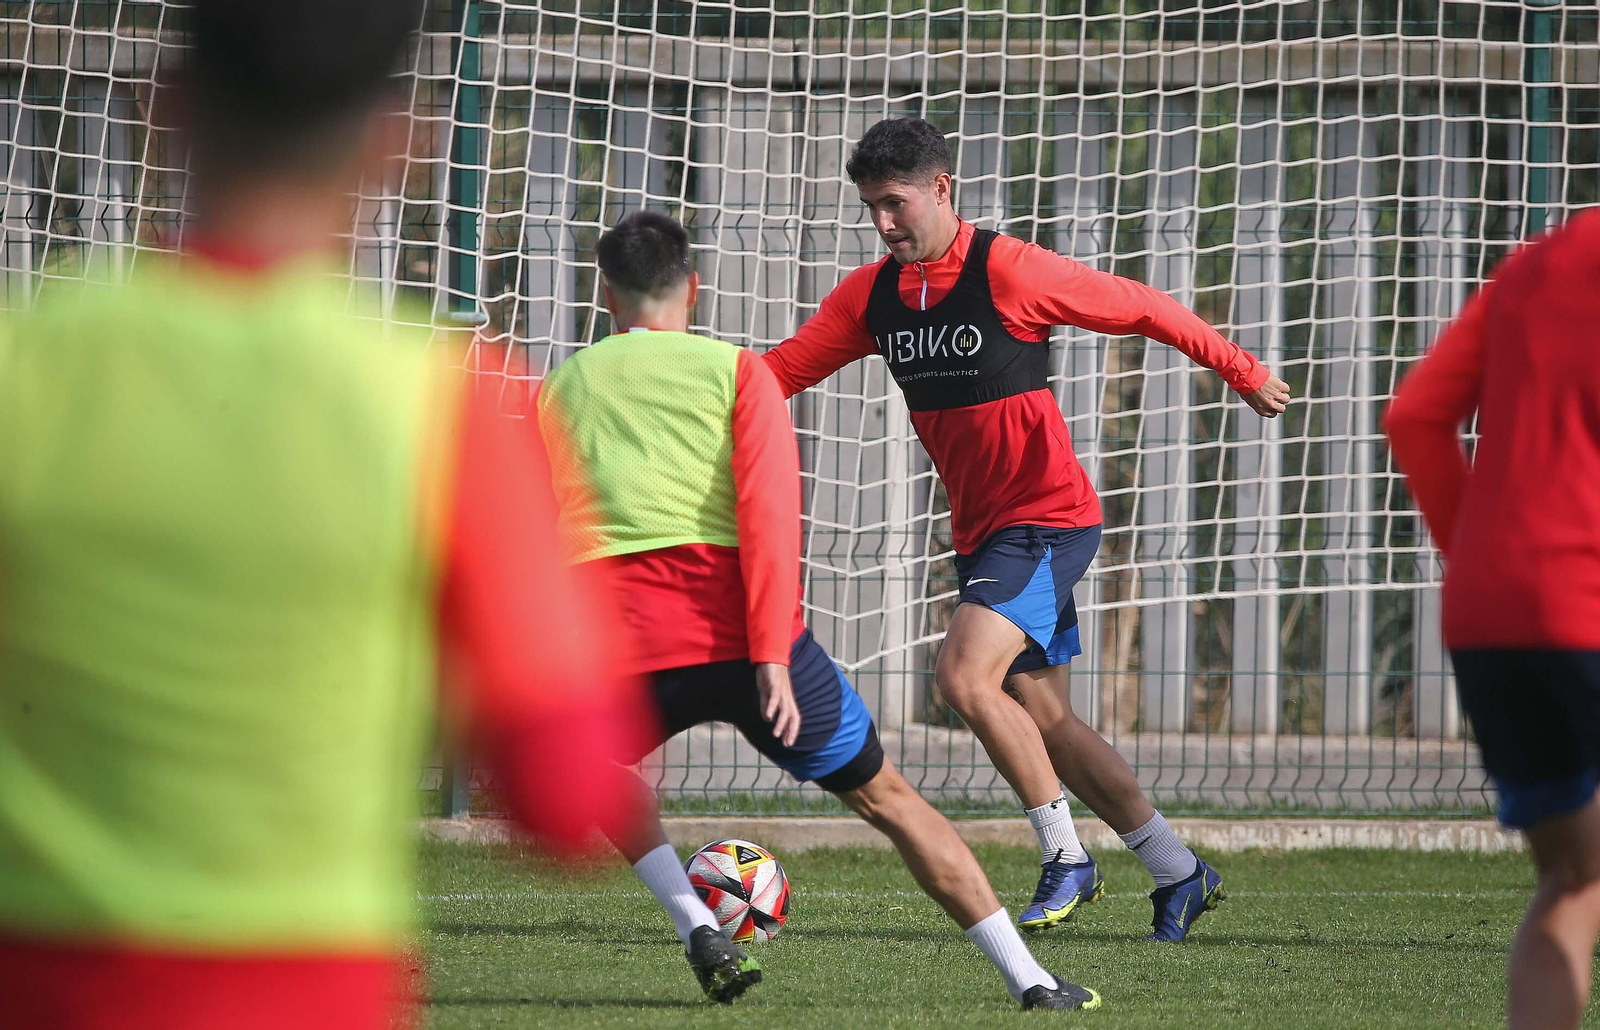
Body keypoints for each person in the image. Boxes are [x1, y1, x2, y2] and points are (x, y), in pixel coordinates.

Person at [0, 4, 651, 1028]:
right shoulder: (444, 404)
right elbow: (566, 791)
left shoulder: (23, 365)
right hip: (306, 988)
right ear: (401, 146)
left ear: (162, 112)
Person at [536, 210, 1101, 1011]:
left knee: (599, 768)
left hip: (623, 644)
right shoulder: (740, 374)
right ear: (692, 289)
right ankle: (1033, 982)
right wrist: (769, 654)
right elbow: (769, 519)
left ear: (605, 297)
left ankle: (692, 917)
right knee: (892, 803)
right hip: (748, 641)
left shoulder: (561, 386)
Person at [762, 117, 1292, 941]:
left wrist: (1240, 368)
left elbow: (1142, 307)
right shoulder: (869, 298)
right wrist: (678, 401)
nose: (882, 224)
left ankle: (1065, 856)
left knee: (965, 679)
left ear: (941, 189)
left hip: (1047, 520)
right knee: (1048, 723)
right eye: (869, 208)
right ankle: (1178, 871)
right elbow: (780, 373)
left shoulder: (1007, 269)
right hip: (984, 534)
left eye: (895, 204)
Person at [1385, 210, 1600, 1030]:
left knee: (1574, 879)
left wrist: (1480, 555)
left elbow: (1413, 417)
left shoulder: (1538, 264)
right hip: (1585, 602)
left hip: (1490, 614)